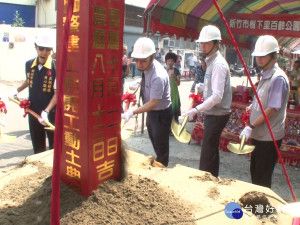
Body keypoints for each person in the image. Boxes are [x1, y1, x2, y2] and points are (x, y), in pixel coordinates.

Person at [239, 35, 289, 188]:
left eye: (263, 56)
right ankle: (257, 208)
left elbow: (272, 109)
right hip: (260, 135)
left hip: (269, 136)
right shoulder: (265, 75)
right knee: (255, 173)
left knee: (262, 179)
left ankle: (262, 210)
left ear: (274, 56)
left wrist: (251, 126)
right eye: (258, 56)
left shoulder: (277, 78)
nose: (259, 59)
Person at [183, 25, 232, 177]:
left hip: (217, 114)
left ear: (217, 45)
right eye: (201, 43)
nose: (203, 47)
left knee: (208, 150)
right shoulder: (211, 62)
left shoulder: (217, 64)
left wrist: (196, 110)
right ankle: (212, 177)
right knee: (210, 148)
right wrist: (203, 87)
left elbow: (217, 96)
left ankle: (206, 179)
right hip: (214, 112)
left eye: (207, 43)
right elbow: (213, 89)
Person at [122, 37, 172, 167]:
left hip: (161, 113)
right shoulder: (147, 68)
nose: (139, 63)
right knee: (154, 140)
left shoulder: (158, 76)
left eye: (143, 60)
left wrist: (131, 111)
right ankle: (159, 162)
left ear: (153, 57)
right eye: (136, 60)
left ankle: (162, 169)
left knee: (161, 146)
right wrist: (139, 82)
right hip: (152, 113)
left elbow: (153, 103)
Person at [10, 32, 57, 154]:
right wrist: (17, 90)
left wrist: (46, 111)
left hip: (50, 114)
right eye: (41, 48)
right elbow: (29, 79)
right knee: (38, 147)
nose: (44, 52)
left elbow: (58, 93)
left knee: (53, 148)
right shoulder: (29, 64)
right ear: (35, 47)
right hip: (33, 111)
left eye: (48, 49)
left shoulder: (55, 67)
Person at [165, 52, 181, 122]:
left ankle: (175, 130)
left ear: (174, 62)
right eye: (168, 61)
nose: (170, 63)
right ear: (166, 62)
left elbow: (178, 84)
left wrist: (174, 78)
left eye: (172, 61)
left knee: (175, 114)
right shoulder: (163, 70)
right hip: (165, 94)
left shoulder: (176, 71)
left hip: (174, 94)